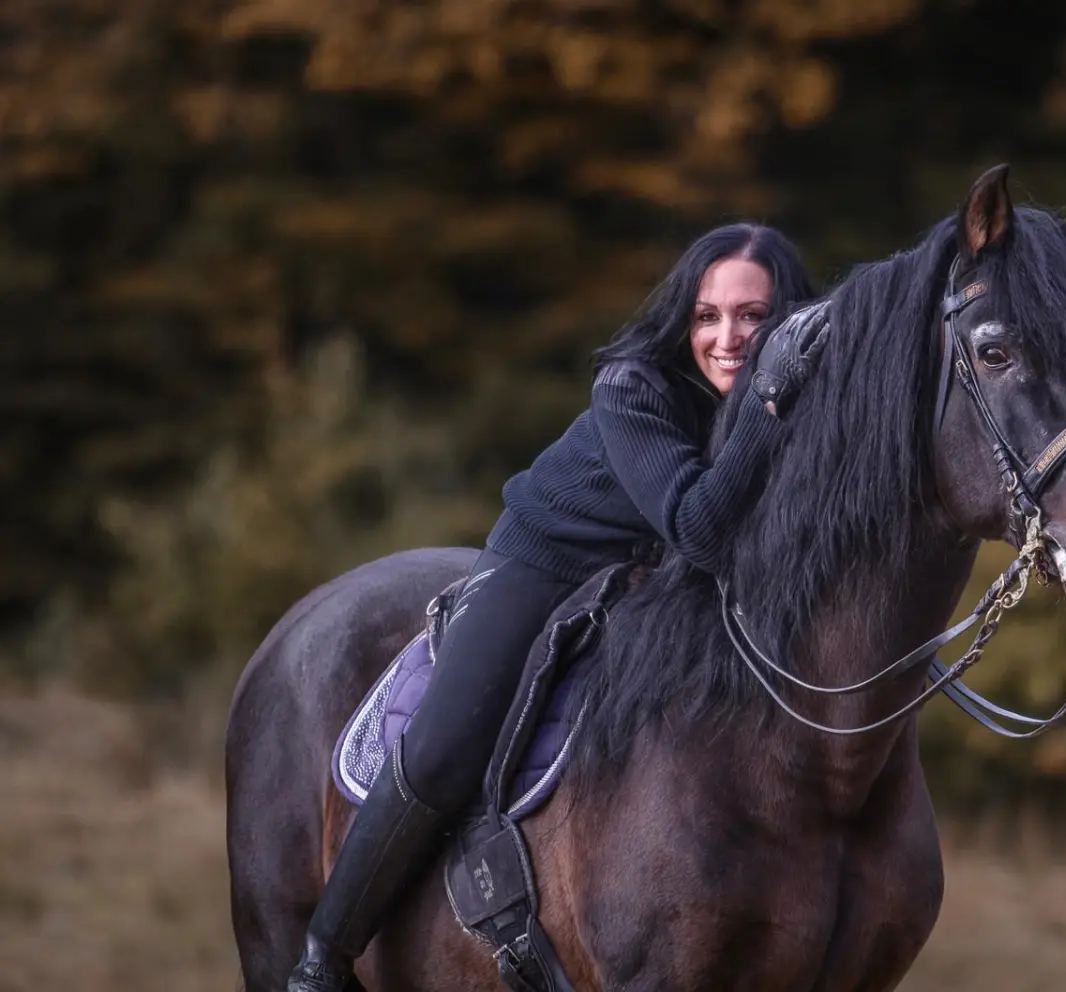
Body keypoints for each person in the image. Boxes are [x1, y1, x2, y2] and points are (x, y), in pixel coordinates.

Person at [287, 224, 827, 991]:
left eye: (754, 317)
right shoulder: (634, 386)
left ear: (790, 320)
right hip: (548, 563)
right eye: (707, 315)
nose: (727, 337)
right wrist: (772, 396)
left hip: (660, 582)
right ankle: (324, 957)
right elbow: (701, 528)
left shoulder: (802, 395)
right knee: (444, 743)